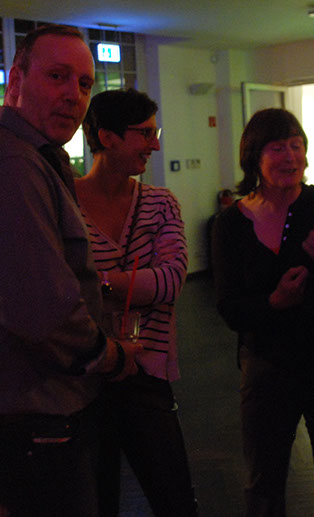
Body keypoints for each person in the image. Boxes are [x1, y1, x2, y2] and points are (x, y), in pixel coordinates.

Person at [0, 24, 139, 517]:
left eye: (84, 84)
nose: (74, 95)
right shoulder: (5, 163)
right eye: (57, 76)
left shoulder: (25, 156)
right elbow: (42, 313)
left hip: (17, 410)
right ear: (16, 80)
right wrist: (111, 356)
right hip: (25, 415)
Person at [211, 108, 314, 517]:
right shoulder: (230, 224)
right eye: (278, 147)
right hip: (266, 363)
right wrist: (274, 302)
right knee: (264, 479)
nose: (290, 156)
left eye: (297, 145)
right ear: (254, 156)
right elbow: (229, 306)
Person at [75, 88, 197, 517]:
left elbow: (172, 280)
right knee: (96, 503)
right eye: (144, 133)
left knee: (174, 500)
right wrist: (135, 283)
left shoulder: (160, 203)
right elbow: (59, 290)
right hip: (85, 375)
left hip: (147, 373)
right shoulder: (64, 205)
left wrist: (101, 286)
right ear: (106, 137)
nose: (155, 145)